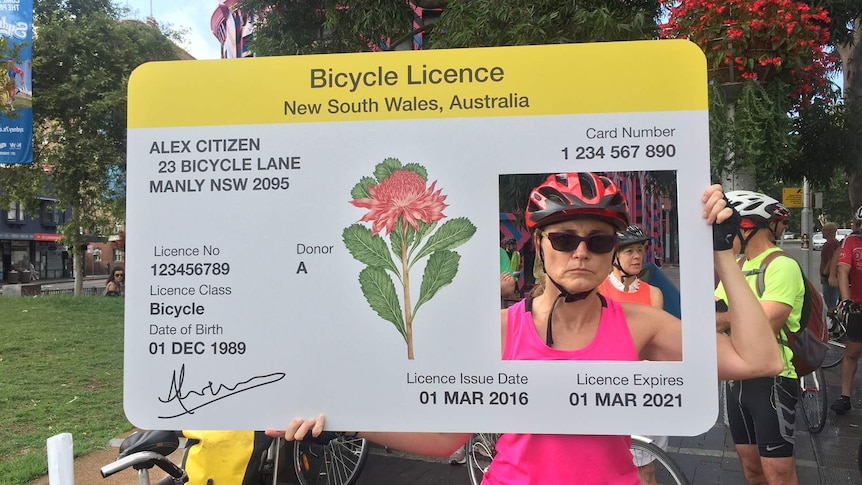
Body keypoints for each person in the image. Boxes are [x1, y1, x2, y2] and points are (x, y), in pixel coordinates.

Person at [269, 173, 782, 485]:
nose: (581, 251)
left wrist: (723, 252)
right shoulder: (498, 331)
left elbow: (758, 360)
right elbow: (451, 437)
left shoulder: (639, 323)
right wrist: (342, 417)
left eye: (598, 242)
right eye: (563, 238)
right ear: (539, 246)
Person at [715, 190, 803, 485]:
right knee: (751, 468)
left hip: (774, 380)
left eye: (729, 226)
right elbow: (711, 319)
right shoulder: (736, 267)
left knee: (778, 472)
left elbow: (766, 326)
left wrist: (729, 319)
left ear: (747, 225)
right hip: (736, 380)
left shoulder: (782, 265)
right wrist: (733, 319)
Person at [598, 224, 666, 485]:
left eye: (640, 250)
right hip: (607, 389)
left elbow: (656, 342)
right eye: (629, 252)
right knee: (607, 466)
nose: (637, 256)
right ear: (614, 256)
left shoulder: (654, 294)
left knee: (646, 468)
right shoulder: (598, 291)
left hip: (643, 387)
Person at [830, 206, 862, 415]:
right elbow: (843, 271)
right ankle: (844, 396)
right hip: (858, 305)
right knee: (852, 351)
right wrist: (846, 300)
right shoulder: (852, 241)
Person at [819, 222, 840, 314]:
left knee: (830, 303)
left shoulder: (829, 244)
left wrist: (825, 273)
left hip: (828, 278)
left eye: (824, 230)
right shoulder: (836, 243)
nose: (822, 232)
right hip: (835, 276)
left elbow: (831, 260)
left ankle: (833, 324)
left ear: (829, 231)